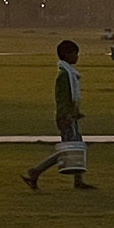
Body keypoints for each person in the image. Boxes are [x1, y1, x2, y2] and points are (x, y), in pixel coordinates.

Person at [22, 39, 94, 191]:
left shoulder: (70, 74)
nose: (77, 57)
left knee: (76, 147)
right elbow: (62, 98)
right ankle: (36, 171)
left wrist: (75, 113)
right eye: (75, 54)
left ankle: (77, 181)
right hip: (66, 117)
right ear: (67, 55)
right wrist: (66, 116)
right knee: (69, 149)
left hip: (70, 116)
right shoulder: (64, 76)